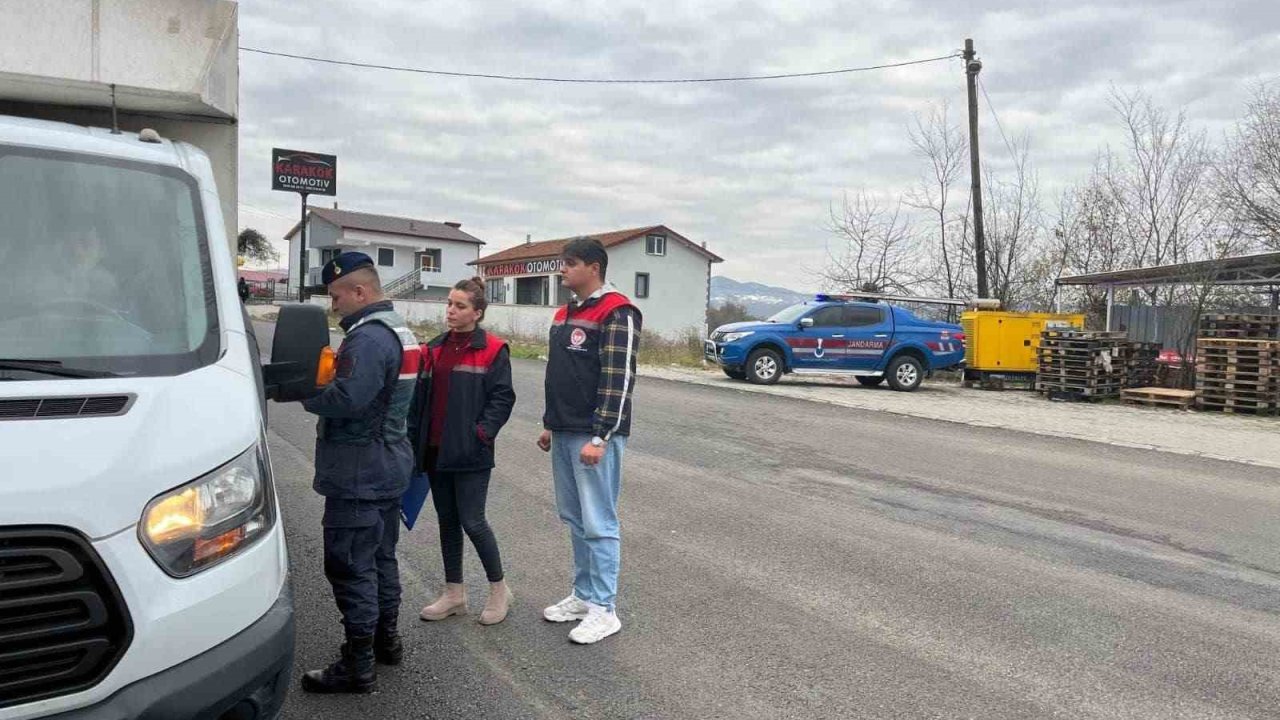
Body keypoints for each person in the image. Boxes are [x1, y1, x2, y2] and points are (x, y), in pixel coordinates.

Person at [297, 251, 421, 694]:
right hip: (388, 464)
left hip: (359, 471)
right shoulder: (400, 330)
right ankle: (386, 641)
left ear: (359, 292)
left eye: (336, 297)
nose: (334, 306)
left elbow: (349, 400)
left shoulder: (368, 339)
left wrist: (303, 394)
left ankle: (358, 662)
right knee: (380, 558)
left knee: (351, 565)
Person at [537, 237, 641, 645]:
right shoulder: (564, 313)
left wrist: (601, 435)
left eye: (571, 263)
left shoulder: (618, 311)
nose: (563, 269)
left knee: (599, 521)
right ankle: (584, 596)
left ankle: (604, 609)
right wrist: (550, 423)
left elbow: (619, 380)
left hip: (594, 436)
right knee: (575, 518)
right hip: (563, 430)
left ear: (594, 268)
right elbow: (560, 374)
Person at [410, 277, 517, 626]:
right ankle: (454, 593)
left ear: (477, 312)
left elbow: (502, 399)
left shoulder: (493, 349)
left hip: (470, 453)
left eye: (460, 306)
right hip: (436, 451)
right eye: (449, 304)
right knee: (448, 522)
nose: (451, 311)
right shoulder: (434, 348)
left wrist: (481, 434)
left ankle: (499, 590)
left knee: (473, 521)